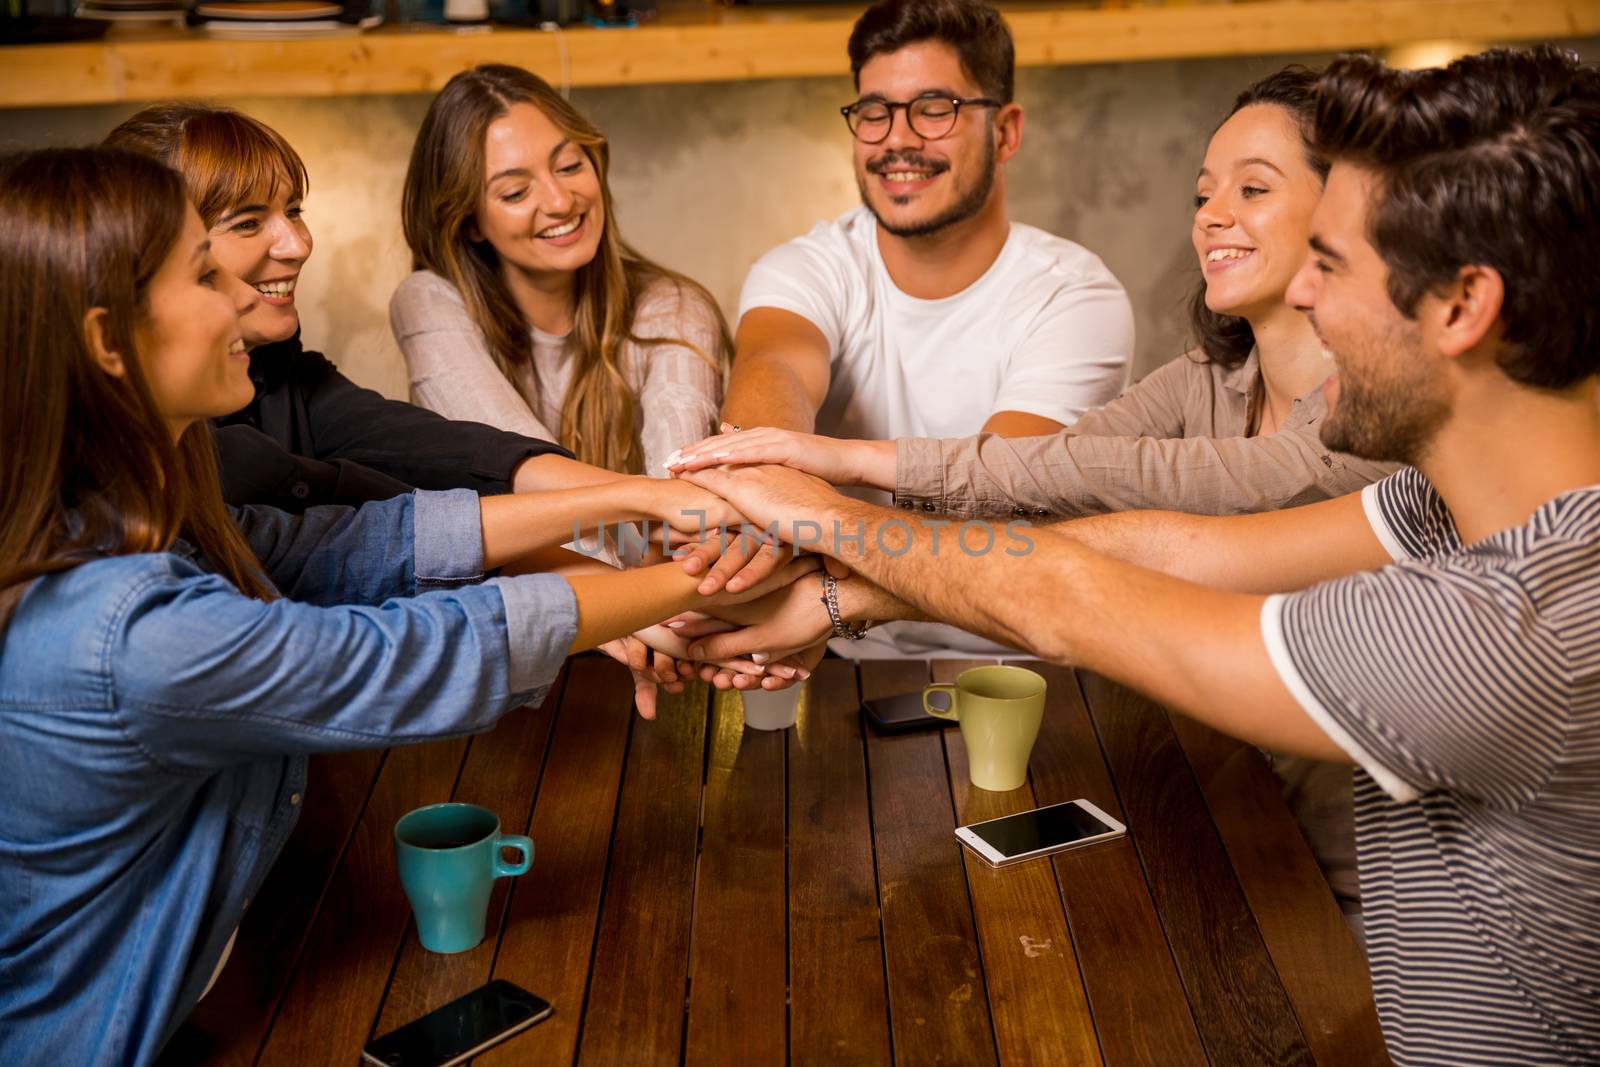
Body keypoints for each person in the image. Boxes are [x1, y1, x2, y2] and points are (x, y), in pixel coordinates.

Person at [679, 47, 1600, 1065]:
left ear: (1462, 307)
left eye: (1332, 265)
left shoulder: (1515, 629)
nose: (1305, 303)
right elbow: (1174, 545)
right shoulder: (1452, 504)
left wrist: (828, 519)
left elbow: (1079, 602)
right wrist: (833, 597)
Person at [0, 146, 806, 1067]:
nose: (242, 293)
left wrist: (637, 501)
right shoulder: (125, 630)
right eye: (204, 272)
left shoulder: (120, 515)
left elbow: (353, 546)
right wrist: (722, 574)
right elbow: (395, 655)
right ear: (108, 341)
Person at [671, 67, 1396, 520]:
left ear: (1348, 207)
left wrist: (851, 470)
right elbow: (1044, 474)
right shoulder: (1206, 382)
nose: (1209, 215)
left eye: (1254, 188)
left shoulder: (1385, 412)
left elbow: (1150, 479)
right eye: (1203, 193)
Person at [716, 0, 1132, 655]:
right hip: (836, 657)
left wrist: (813, 546)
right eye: (874, 111)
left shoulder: (1075, 296)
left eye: (934, 108)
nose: (897, 139)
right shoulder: (804, 268)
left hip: (1030, 661)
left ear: (1006, 131)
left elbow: (996, 504)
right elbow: (772, 381)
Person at [102, 103, 623, 514]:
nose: (298, 244)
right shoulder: (161, 441)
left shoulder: (282, 371)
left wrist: (639, 504)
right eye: (247, 223)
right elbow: (379, 532)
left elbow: (441, 450)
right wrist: (621, 538)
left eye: (293, 212)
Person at [391, 64, 727, 479]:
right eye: (515, 192)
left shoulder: (673, 307)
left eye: (569, 166)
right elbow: (523, 470)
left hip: (655, 545)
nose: (559, 201)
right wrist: (654, 518)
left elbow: (682, 484)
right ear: (469, 221)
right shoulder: (428, 301)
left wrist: (666, 523)